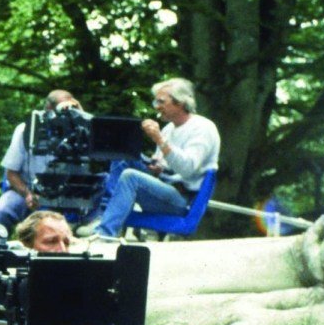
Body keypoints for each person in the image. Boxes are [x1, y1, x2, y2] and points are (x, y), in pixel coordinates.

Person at [78, 77, 219, 240]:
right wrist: (157, 167)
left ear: (180, 103)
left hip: (181, 199)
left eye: (161, 101)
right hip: (165, 186)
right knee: (123, 156)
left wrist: (159, 139)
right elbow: (164, 164)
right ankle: (103, 216)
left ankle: (105, 235)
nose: (157, 107)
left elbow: (187, 169)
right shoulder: (169, 128)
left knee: (131, 177)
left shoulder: (203, 128)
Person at [0, 89, 83, 231]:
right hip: (26, 189)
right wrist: (27, 193)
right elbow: (11, 173)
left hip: (63, 197)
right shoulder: (26, 130)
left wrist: (81, 114)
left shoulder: (79, 132)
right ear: (50, 108)